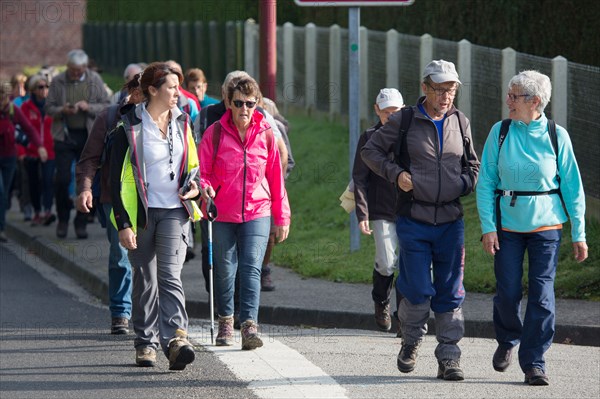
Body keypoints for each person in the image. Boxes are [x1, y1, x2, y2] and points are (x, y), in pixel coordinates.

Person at [361, 60, 480, 381]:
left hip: (451, 220)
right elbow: (371, 152)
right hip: (413, 218)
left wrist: (464, 184)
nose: (445, 96)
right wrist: (396, 174)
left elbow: (474, 165)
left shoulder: (460, 121)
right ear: (425, 88)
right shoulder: (404, 120)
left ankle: (449, 356)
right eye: (439, 89)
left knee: (451, 289)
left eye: (451, 89)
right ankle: (411, 341)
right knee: (416, 287)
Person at [476, 70, 588, 386]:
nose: (507, 101)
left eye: (514, 96)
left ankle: (534, 362)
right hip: (508, 227)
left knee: (542, 293)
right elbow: (485, 182)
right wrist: (488, 226)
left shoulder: (557, 135)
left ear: (534, 101)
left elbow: (572, 187)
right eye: (509, 94)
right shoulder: (500, 132)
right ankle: (508, 337)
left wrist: (579, 233)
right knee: (508, 290)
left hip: (547, 226)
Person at [109, 62, 201, 370]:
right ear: (152, 90)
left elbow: (194, 166)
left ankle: (175, 340)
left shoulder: (184, 122)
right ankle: (145, 342)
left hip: (175, 211)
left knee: (170, 276)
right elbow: (114, 180)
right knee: (146, 279)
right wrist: (123, 223)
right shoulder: (129, 127)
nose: (178, 92)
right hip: (141, 214)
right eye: (172, 87)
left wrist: (195, 185)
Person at [199, 77, 290, 350]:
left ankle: (249, 326)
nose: (244, 109)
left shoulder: (266, 134)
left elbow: (276, 178)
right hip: (222, 212)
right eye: (238, 103)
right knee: (226, 270)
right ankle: (226, 320)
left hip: (257, 211)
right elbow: (201, 172)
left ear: (257, 104)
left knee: (252, 268)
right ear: (229, 103)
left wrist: (282, 217)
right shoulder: (214, 133)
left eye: (250, 104)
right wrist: (205, 189)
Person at [76, 74, 145, 335]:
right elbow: (89, 158)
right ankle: (120, 311)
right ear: (134, 92)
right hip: (113, 198)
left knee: (149, 258)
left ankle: (146, 310)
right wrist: (84, 188)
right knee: (121, 256)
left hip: (153, 201)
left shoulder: (165, 118)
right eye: (143, 92)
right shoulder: (109, 117)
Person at [352, 88, 403, 332]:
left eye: (395, 113)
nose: (390, 117)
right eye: (386, 113)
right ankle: (381, 300)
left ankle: (404, 316)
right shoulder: (369, 136)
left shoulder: (411, 135)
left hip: (411, 209)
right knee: (386, 262)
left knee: (410, 263)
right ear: (376, 110)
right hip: (381, 209)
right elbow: (359, 178)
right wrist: (362, 214)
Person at [45, 49, 110, 239]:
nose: (75, 73)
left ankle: (81, 222)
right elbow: (48, 108)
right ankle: (63, 219)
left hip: (87, 136)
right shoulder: (58, 81)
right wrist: (62, 110)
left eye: (78, 70)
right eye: (72, 70)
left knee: (85, 181)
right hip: (64, 135)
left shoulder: (95, 79)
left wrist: (88, 107)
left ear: (84, 67)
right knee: (62, 179)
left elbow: (106, 106)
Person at [0, 82, 47, 243]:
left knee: (4, 193)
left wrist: (40, 146)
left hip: (9, 157)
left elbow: (29, 129)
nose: (2, 101)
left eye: (4, 97)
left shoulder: (12, 110)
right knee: (0, 191)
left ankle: (1, 228)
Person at [20, 74, 56, 227]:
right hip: (32, 151)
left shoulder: (51, 107)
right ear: (33, 90)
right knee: (34, 183)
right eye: (40, 87)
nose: (44, 90)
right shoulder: (25, 107)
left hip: (50, 150)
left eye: (46, 87)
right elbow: (20, 129)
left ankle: (47, 211)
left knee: (48, 181)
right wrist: (21, 151)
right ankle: (36, 212)